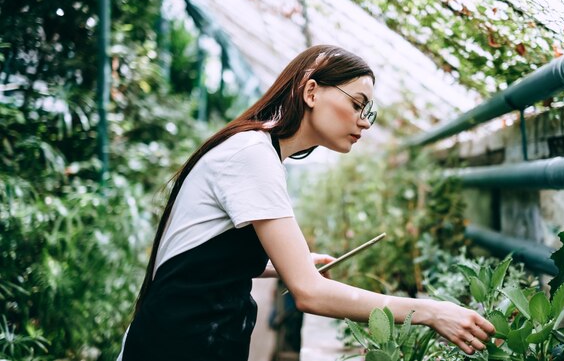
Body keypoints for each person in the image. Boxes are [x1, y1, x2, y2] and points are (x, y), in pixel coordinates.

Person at [117, 45, 495, 361]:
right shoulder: (251, 154)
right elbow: (310, 293)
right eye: (358, 104)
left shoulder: (258, 150)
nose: (364, 122)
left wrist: (287, 265)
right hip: (176, 345)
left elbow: (203, 254)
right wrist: (431, 311)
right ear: (311, 92)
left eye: (369, 113)